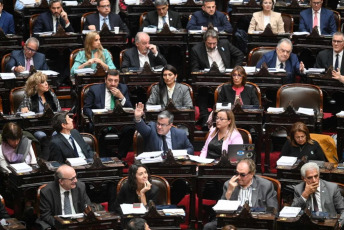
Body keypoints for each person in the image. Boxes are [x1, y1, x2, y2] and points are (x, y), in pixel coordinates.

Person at [203, 158, 278, 230]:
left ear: (252, 174)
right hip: (232, 221)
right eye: (237, 173)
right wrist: (229, 191)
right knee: (208, 227)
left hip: (255, 222)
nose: (238, 177)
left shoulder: (266, 186)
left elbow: (274, 210)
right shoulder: (228, 184)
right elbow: (220, 211)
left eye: (242, 175)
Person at [83, 69, 134, 158]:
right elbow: (86, 108)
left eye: (116, 81)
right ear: (105, 80)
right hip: (102, 122)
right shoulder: (94, 90)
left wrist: (121, 97)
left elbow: (130, 108)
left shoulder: (123, 88)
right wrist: (94, 117)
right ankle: (104, 157)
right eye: (110, 80)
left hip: (118, 122)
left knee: (130, 129)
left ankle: (120, 157)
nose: (113, 83)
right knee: (94, 128)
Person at [38, 164, 91, 229]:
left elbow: (88, 206)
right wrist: (62, 225)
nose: (75, 180)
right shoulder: (47, 192)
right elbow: (46, 216)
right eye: (72, 179)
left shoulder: (80, 187)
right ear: (61, 181)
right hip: (59, 225)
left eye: (75, 177)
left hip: (79, 224)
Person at [292, 162, 344, 227]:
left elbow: (342, 210)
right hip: (308, 226)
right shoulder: (299, 189)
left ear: (319, 175)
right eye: (310, 177)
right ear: (303, 178)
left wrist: (339, 224)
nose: (314, 180)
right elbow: (293, 211)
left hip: (328, 225)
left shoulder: (332, 188)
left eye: (316, 176)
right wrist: (305, 194)